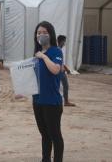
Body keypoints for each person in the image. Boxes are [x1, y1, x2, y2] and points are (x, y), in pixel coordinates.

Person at [33, 21, 64, 162]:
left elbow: (56, 69)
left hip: (51, 101)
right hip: (37, 100)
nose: (41, 35)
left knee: (55, 135)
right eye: (39, 33)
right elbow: (32, 78)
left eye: (45, 32)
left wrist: (44, 57)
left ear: (51, 34)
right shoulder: (36, 55)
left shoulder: (56, 52)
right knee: (44, 134)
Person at [57, 35, 76, 107]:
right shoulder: (58, 50)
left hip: (61, 71)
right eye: (64, 41)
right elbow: (59, 62)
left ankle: (65, 101)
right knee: (65, 86)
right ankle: (66, 101)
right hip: (60, 72)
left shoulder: (58, 49)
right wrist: (66, 69)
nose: (65, 43)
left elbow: (61, 62)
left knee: (62, 86)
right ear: (61, 42)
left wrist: (66, 68)